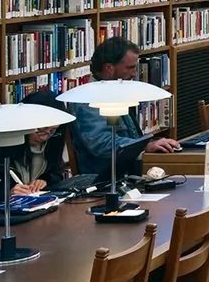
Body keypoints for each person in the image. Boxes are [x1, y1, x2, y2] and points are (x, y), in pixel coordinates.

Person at [69, 36, 181, 181]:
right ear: (109, 68)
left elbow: (130, 137)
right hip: (106, 179)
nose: (134, 74)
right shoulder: (87, 100)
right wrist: (145, 146)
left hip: (131, 172)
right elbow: (101, 143)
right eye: (130, 68)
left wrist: (155, 143)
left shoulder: (116, 91)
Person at [0, 92, 69, 208]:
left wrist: (45, 180)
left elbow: (56, 173)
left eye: (52, 130)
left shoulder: (52, 142)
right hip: (0, 219)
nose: (45, 136)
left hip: (33, 212)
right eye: (41, 129)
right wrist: (6, 195)